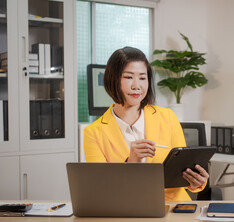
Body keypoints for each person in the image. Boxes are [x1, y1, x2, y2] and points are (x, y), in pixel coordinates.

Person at [84, 46, 209, 201]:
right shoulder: (93, 133)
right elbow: (102, 188)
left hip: (172, 209)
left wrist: (195, 181)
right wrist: (131, 163)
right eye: (129, 77)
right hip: (126, 209)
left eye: (142, 78)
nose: (137, 86)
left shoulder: (168, 117)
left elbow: (181, 172)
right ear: (112, 80)